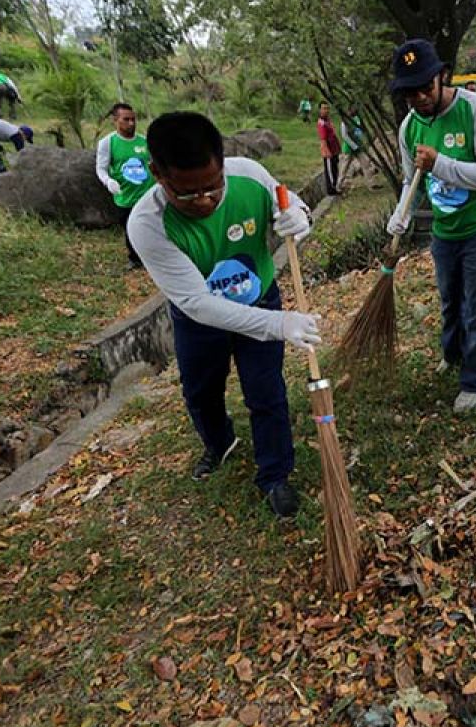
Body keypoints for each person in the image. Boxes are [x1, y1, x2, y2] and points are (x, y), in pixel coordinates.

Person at [126, 111, 319, 518]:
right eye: (189, 194)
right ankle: (220, 444)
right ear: (157, 174)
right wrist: (278, 325)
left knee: (265, 392)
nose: (206, 201)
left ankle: (275, 474)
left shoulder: (248, 174)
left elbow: (287, 199)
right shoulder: (147, 225)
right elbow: (199, 303)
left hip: (258, 296)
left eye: (213, 187)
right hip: (199, 320)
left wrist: (299, 216)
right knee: (200, 391)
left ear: (222, 162)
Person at [386, 39, 476, 413]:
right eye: (411, 92)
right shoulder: (410, 128)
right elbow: (412, 183)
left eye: (426, 87)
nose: (421, 97)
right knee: (449, 301)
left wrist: (440, 163)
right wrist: (402, 215)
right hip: (446, 229)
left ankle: (474, 380)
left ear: (442, 77)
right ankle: (452, 354)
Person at [95, 102, 154, 269]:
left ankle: (153, 256)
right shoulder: (108, 143)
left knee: (151, 226)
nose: (131, 123)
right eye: (126, 119)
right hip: (124, 195)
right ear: (115, 120)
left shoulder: (144, 141)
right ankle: (135, 258)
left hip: (146, 192)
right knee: (130, 228)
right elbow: (101, 168)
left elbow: (153, 163)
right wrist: (108, 181)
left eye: (133, 119)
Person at [317, 102, 342, 196]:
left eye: (327, 108)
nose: (326, 110)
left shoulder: (328, 121)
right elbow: (323, 139)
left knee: (335, 168)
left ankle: (335, 186)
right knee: (330, 170)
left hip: (334, 149)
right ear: (320, 110)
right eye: (324, 108)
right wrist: (326, 150)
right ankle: (331, 189)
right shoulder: (322, 123)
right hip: (328, 150)